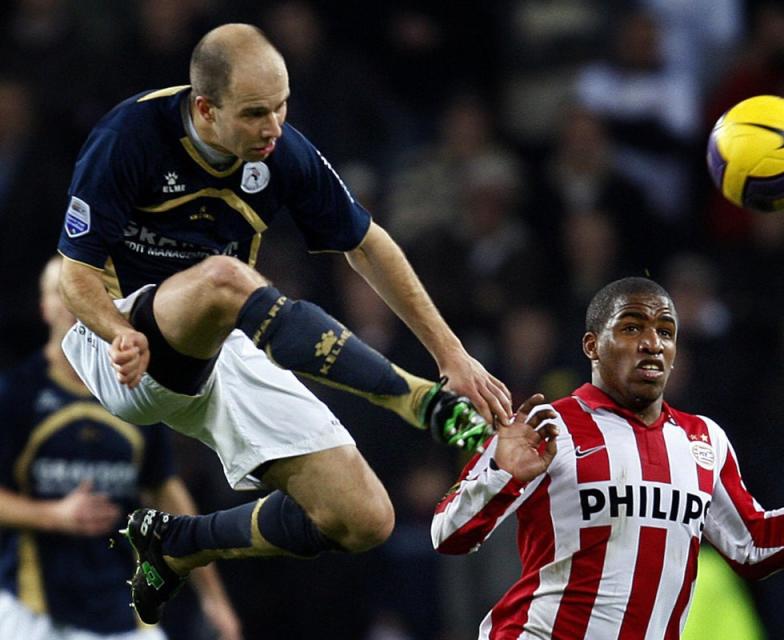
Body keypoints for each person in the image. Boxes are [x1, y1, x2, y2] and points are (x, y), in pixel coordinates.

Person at [55, 23, 511, 626]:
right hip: (118, 343)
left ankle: (177, 544)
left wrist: (451, 352)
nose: (273, 127)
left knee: (363, 518)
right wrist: (118, 331)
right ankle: (418, 400)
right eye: (254, 114)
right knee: (224, 277)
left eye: (281, 106)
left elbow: (367, 243)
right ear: (204, 109)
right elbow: (75, 274)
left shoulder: (281, 150)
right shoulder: (130, 135)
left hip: (222, 342)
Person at [432, 276, 784, 639]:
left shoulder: (704, 439)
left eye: (665, 332)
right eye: (631, 327)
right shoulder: (548, 425)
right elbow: (447, 533)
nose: (652, 343)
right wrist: (499, 472)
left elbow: (755, 548)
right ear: (592, 345)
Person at [0, 256, 242, 640]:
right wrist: (55, 515)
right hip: (34, 611)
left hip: (120, 610)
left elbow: (165, 490)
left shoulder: (130, 394)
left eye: (86, 296)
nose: (73, 309)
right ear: (44, 307)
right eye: (63, 296)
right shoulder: (17, 393)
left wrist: (214, 598)